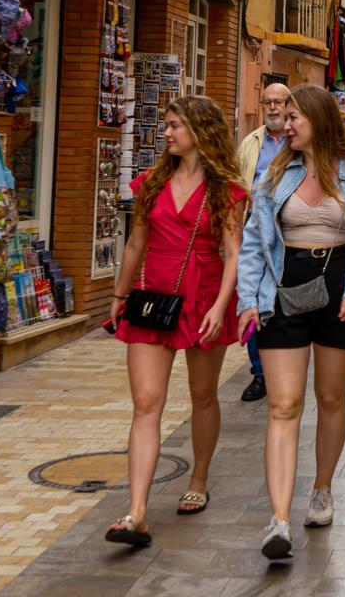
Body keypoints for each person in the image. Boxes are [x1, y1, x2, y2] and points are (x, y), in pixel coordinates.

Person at [237, 85, 345, 561]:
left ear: (319, 122)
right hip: (284, 286)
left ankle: (322, 487)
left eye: (295, 117)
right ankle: (278, 519)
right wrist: (248, 298)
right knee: (283, 404)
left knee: (329, 396)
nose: (286, 124)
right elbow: (255, 242)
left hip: (340, 284)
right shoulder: (274, 174)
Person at [104, 96, 247, 548]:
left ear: (201, 132)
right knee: (146, 403)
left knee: (203, 395)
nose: (166, 133)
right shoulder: (150, 183)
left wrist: (222, 305)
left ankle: (199, 478)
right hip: (151, 299)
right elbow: (134, 246)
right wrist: (118, 295)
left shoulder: (226, 189)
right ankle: (137, 511)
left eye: (174, 126)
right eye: (166, 126)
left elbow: (233, 254)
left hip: (204, 295)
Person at [232, 81, 292, 403]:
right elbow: (238, 189)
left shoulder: (298, 141)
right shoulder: (251, 143)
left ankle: (283, 365)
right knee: (252, 299)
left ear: (288, 106)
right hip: (255, 232)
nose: (272, 108)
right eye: (267, 101)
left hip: (290, 236)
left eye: (278, 102)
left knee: (279, 304)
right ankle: (259, 373)